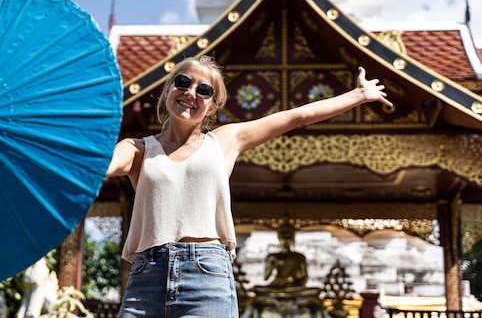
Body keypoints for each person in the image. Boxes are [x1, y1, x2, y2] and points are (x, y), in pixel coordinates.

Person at [106, 55, 392, 318]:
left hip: (207, 275)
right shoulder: (138, 149)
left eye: (204, 90)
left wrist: (359, 95)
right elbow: (98, 167)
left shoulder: (225, 141)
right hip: (147, 274)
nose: (191, 93)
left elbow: (297, 116)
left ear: (212, 106)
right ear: (169, 89)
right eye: (183, 82)